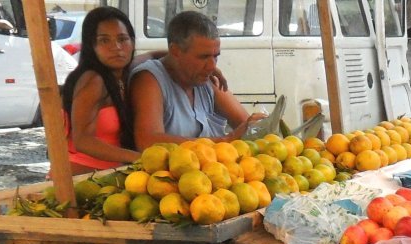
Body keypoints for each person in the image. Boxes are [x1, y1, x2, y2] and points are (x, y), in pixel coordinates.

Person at [129, 11, 262, 148]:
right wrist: (225, 140)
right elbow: (147, 141)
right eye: (203, 57)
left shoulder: (206, 78)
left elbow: (248, 125)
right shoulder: (149, 80)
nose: (212, 66)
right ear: (175, 51)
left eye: (215, 56)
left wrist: (257, 124)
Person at [61, 7, 140, 174]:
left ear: (132, 42)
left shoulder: (121, 74)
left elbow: (147, 57)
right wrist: (139, 158)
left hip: (110, 175)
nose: (116, 47)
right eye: (105, 40)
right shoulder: (94, 80)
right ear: (92, 45)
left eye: (122, 39)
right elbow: (82, 140)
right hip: (82, 180)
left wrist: (165, 55)